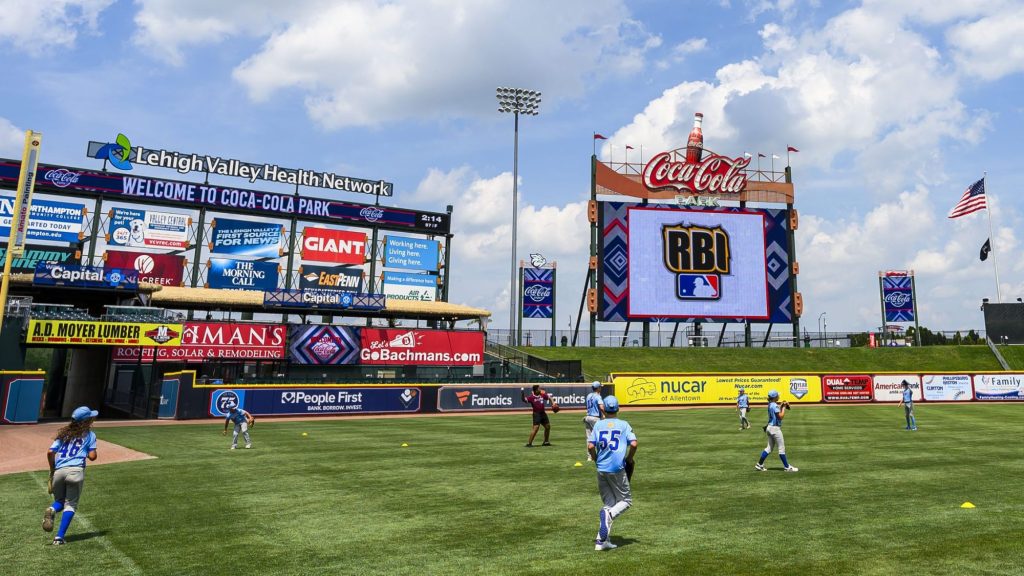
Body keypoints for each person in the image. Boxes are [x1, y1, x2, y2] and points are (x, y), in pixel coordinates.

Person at [43, 406, 99, 545]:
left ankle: (51, 510)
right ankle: (59, 537)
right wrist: (85, 450)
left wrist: (52, 470)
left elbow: (50, 452)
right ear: (86, 421)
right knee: (71, 505)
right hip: (76, 471)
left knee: (60, 502)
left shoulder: (64, 434)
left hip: (59, 471)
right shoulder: (90, 435)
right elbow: (93, 456)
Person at [587, 395, 637, 551]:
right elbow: (634, 444)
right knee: (626, 501)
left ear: (605, 409)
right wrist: (629, 458)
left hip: (601, 468)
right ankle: (607, 517)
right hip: (616, 468)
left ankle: (601, 542)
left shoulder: (599, 425)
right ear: (617, 408)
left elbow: (590, 447)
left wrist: (595, 459)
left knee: (609, 504)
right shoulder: (623, 424)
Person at [754, 390, 798, 472]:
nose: (779, 396)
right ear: (775, 397)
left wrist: (781, 406)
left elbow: (776, 412)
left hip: (769, 427)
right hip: (775, 429)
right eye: (777, 395)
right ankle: (787, 467)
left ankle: (759, 464)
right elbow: (780, 417)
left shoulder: (770, 404)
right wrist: (784, 407)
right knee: (781, 448)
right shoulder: (774, 406)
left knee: (769, 448)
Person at [583, 381, 606, 460]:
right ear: (598, 388)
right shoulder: (598, 396)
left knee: (589, 438)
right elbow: (601, 407)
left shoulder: (589, 395)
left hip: (588, 417)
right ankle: (601, 455)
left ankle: (590, 457)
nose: (601, 388)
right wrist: (607, 415)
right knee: (600, 437)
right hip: (595, 418)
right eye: (600, 387)